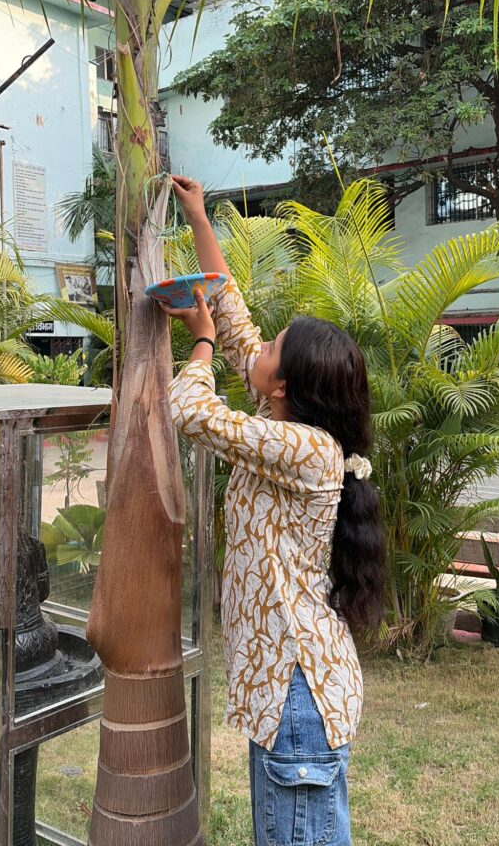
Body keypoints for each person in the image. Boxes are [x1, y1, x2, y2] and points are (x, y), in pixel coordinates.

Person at [160, 175, 385, 846]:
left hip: (298, 702)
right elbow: (231, 312)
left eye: (269, 349)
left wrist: (200, 344)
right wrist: (199, 218)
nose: (254, 349)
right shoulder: (284, 420)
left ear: (283, 383)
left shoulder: (305, 449)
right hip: (288, 698)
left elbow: (191, 412)